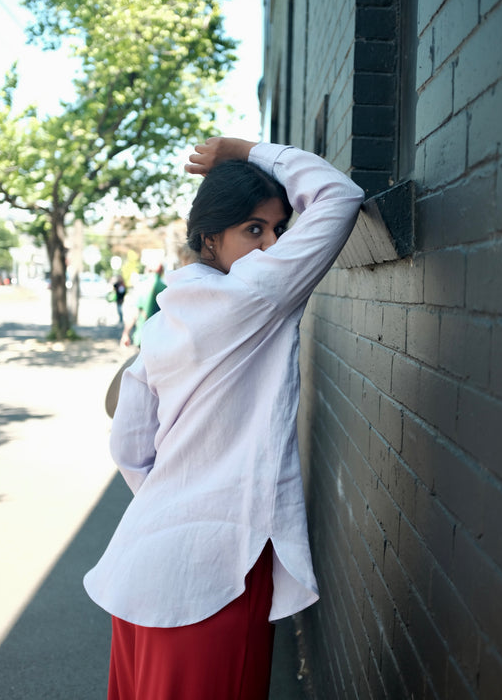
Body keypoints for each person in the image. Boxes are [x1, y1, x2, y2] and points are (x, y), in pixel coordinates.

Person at [83, 136, 365, 700]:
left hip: (142, 565)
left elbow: (129, 447)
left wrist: (179, 496)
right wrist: (246, 148)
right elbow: (339, 195)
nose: (271, 245)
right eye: (253, 230)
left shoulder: (165, 321)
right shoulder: (256, 295)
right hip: (218, 573)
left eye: (279, 229)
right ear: (211, 238)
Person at [120, 264, 166, 347]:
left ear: (147, 270)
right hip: (160, 337)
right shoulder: (165, 288)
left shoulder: (141, 286)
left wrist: (126, 333)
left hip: (143, 337)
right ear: (161, 271)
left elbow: (133, 314)